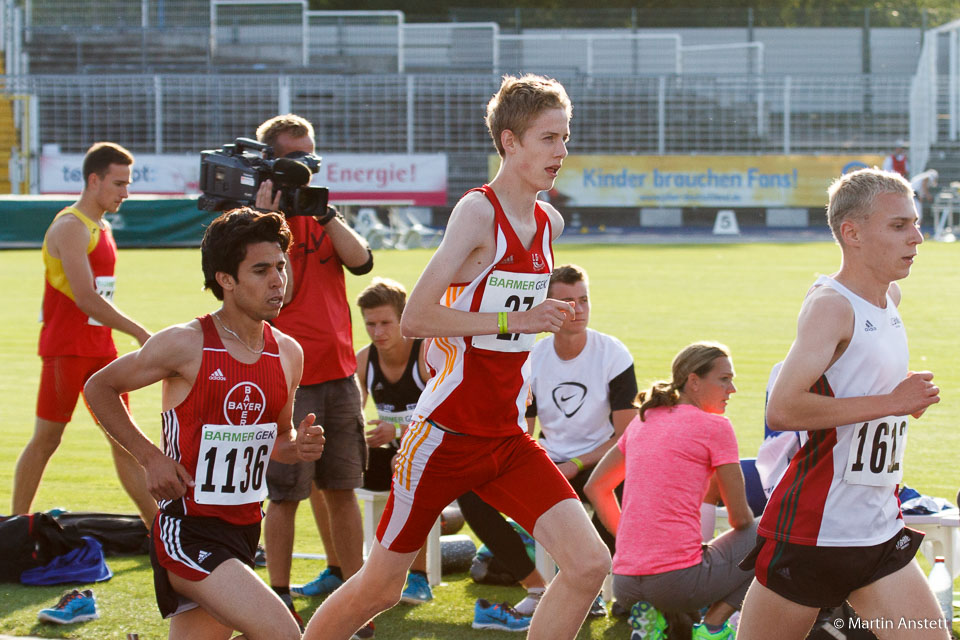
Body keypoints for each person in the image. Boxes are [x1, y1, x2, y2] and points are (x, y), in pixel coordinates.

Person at [303, 73, 611, 640]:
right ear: (509, 142)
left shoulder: (551, 223)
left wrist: (534, 318)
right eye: (548, 138)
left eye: (566, 137)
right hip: (443, 438)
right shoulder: (478, 213)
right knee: (382, 587)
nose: (562, 152)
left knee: (590, 565)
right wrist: (515, 320)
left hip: (506, 437)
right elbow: (416, 318)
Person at [83, 208, 325, 640]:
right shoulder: (186, 343)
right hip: (187, 529)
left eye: (281, 266)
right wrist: (150, 458)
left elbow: (278, 440)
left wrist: (298, 446)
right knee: (283, 634)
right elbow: (99, 387)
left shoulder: (288, 353)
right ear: (225, 279)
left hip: (244, 530)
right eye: (261, 270)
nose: (278, 280)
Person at [736, 168, 946, 640]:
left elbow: (853, 390)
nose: (917, 237)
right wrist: (890, 401)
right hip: (814, 531)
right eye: (899, 226)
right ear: (852, 233)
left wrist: (898, 402)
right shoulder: (831, 306)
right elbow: (783, 409)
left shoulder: (890, 297)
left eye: (915, 223)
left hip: (877, 525)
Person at [253, 114, 373, 630]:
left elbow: (362, 261)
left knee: (342, 488)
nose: (306, 166)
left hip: (340, 372)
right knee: (285, 494)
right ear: (272, 163)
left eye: (310, 155)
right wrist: (270, 222)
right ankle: (279, 596)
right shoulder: (255, 224)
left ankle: (355, 595)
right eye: (294, 157)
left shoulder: (322, 211)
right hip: (288, 377)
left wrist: (324, 214)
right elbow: (278, 294)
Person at [12, 142, 156, 525]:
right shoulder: (70, 227)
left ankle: (158, 530)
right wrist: (140, 332)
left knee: (125, 441)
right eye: (119, 184)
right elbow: (87, 298)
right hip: (66, 350)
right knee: (47, 439)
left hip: (101, 351)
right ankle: (14, 529)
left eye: (128, 184)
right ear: (94, 180)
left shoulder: (102, 227)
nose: (126, 193)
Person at [585, 342, 756, 640]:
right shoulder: (716, 427)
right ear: (694, 381)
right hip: (677, 583)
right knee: (772, 534)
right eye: (724, 379)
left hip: (625, 582)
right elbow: (740, 519)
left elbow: (595, 486)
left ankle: (651, 621)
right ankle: (713, 628)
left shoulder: (644, 420)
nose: (732, 389)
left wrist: (629, 540)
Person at [354, 277, 434, 604]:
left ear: (404, 318)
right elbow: (353, 415)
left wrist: (399, 432)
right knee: (326, 473)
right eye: (370, 324)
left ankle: (419, 577)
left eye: (386, 323)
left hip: (433, 451)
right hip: (393, 451)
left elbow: (447, 418)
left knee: (403, 465)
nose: (377, 332)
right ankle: (342, 569)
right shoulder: (363, 360)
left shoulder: (426, 354)